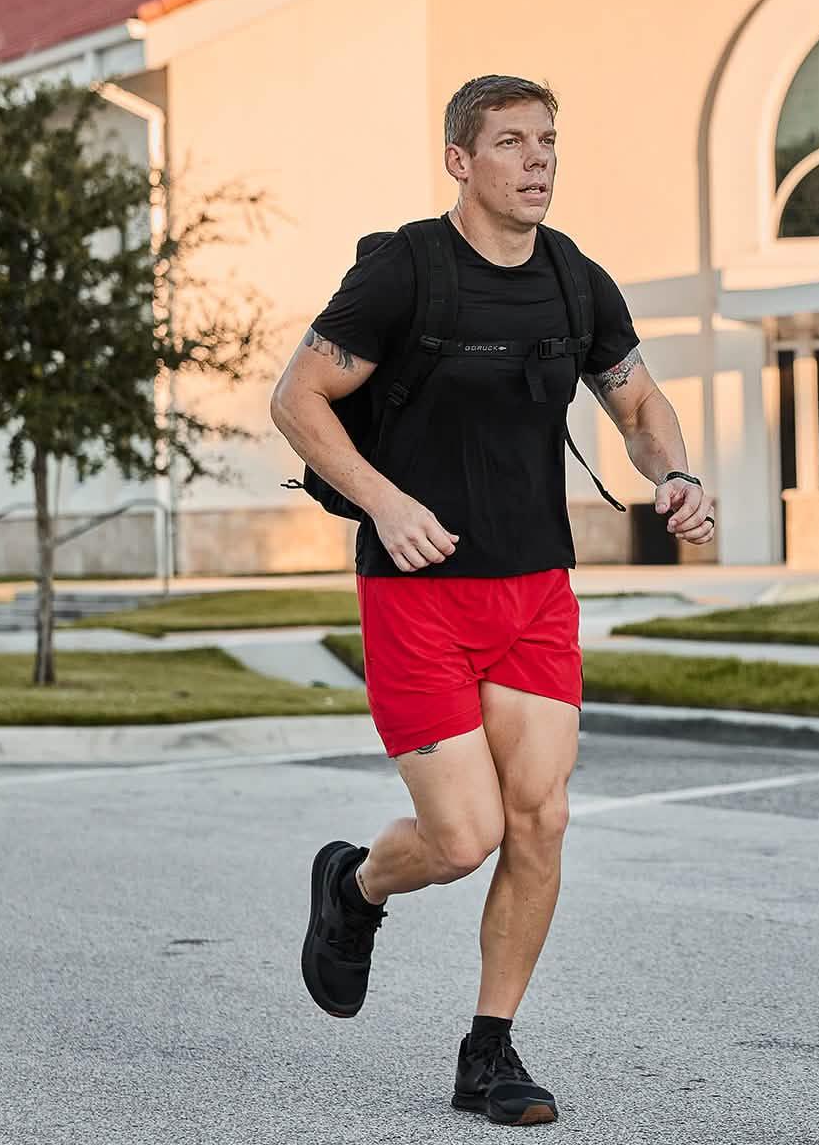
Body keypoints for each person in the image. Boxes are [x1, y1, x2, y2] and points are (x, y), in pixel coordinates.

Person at [270, 74, 715, 1127]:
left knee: (541, 818)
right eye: (511, 142)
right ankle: (356, 886)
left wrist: (676, 473)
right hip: (419, 595)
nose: (538, 159)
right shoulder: (404, 273)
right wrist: (384, 503)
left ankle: (490, 1049)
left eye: (547, 140)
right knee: (463, 837)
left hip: (534, 590)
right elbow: (298, 397)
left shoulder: (575, 280)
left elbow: (638, 402)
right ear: (460, 161)